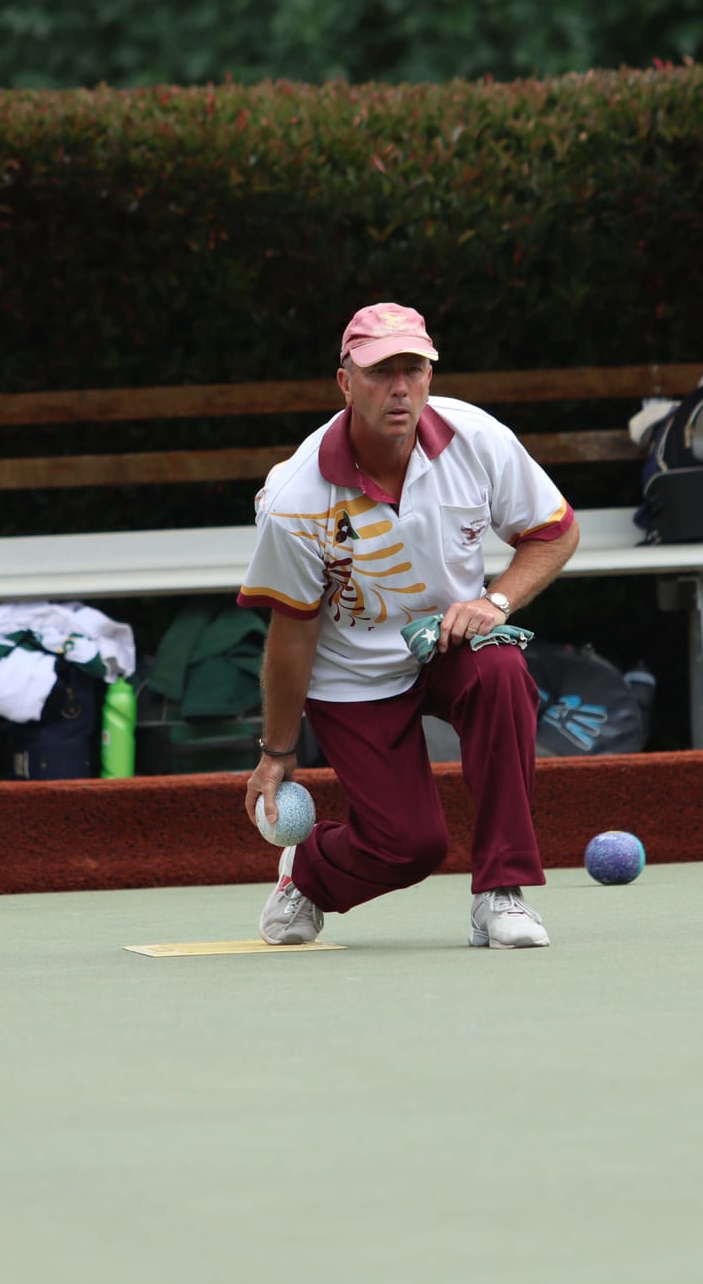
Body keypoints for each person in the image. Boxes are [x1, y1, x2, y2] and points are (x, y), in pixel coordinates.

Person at [237, 302, 580, 948]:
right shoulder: (296, 498)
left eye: (413, 368)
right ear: (345, 381)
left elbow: (555, 533)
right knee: (410, 845)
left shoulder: (478, 438)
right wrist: (277, 752)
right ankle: (305, 876)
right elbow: (293, 632)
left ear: (429, 373)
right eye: (379, 371)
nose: (399, 387)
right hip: (352, 674)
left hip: (452, 644)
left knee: (502, 669)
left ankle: (501, 891)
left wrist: (496, 602)